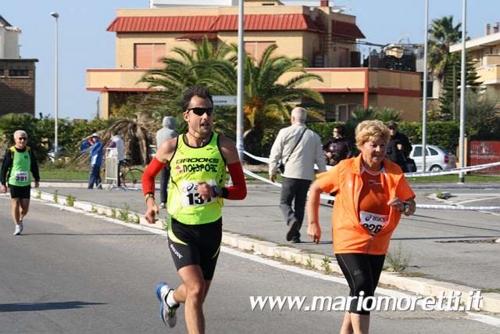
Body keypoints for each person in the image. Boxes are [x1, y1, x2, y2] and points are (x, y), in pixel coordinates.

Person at [142, 85, 247, 333]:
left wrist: (218, 191)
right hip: (182, 228)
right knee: (196, 288)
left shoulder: (225, 147)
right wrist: (150, 203)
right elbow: (148, 176)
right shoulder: (171, 147)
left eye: (209, 111)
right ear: (186, 115)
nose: (205, 117)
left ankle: (169, 298)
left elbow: (241, 191)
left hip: (211, 229)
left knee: (194, 295)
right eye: (198, 111)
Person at [306, 120, 416, 334]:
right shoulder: (346, 169)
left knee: (361, 293)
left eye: (383, 145)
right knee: (363, 286)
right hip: (349, 240)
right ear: (361, 145)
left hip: (378, 243)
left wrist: (403, 206)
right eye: (374, 145)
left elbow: (411, 206)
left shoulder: (393, 171)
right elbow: (315, 188)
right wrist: (313, 223)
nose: (379, 150)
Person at [269, 107, 326, 243]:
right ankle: (295, 235)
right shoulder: (314, 136)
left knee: (284, 202)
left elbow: (275, 152)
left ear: (292, 118)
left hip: (290, 173)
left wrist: (272, 170)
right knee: (300, 205)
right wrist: (324, 176)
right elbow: (320, 159)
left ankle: (291, 220)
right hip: (306, 176)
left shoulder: (285, 132)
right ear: (305, 119)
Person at [0, 130, 40, 235]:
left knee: (25, 207)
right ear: (15, 140)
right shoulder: (11, 151)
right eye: (20, 138)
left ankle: (21, 218)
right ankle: (17, 226)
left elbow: (34, 165)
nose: (22, 140)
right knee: (15, 203)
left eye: (24, 138)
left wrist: (36, 178)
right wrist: (3, 183)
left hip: (25, 183)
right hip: (14, 182)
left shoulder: (29, 151)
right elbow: (4, 168)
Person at [155, 116, 178, 208]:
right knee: (175, 180)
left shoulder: (158, 132)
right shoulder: (173, 133)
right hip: (172, 159)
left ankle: (163, 201)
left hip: (161, 158)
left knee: (163, 181)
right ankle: (175, 200)